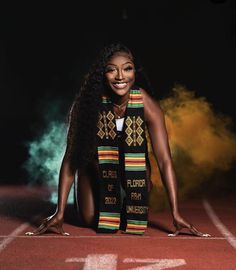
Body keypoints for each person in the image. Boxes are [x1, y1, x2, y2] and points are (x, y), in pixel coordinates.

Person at [26, 42, 210, 237]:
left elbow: (164, 160)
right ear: (102, 75)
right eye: (111, 70)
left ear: (135, 72)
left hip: (131, 168)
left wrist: (176, 213)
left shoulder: (148, 105)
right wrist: (59, 211)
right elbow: (71, 158)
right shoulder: (87, 104)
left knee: (138, 198)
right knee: (89, 220)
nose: (120, 76)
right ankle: (97, 192)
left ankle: (126, 201)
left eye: (127, 69)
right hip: (95, 167)